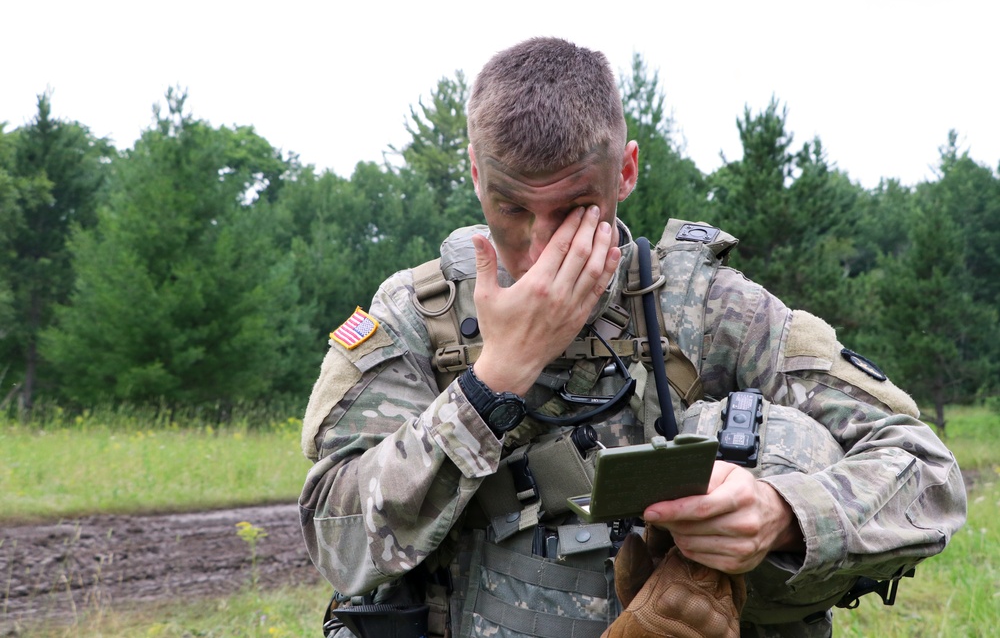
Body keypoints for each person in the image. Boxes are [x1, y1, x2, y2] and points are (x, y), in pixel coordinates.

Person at [299, 37, 966, 638]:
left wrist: (783, 511)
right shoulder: (421, 318)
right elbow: (336, 542)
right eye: (511, 207)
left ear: (625, 171)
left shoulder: (711, 310)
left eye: (572, 209)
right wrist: (491, 382)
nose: (539, 247)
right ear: (475, 173)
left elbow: (927, 474)